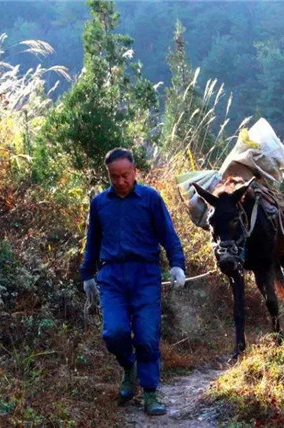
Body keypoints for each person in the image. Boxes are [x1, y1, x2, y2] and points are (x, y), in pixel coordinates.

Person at [81, 147, 186, 416]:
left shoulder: (150, 199)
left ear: (134, 171)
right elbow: (92, 242)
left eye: (125, 175)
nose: (120, 181)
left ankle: (150, 393)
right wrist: (87, 275)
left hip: (145, 276)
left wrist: (177, 265)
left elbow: (168, 235)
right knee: (113, 333)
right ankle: (129, 366)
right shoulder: (100, 203)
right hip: (112, 276)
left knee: (147, 336)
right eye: (114, 176)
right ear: (108, 175)